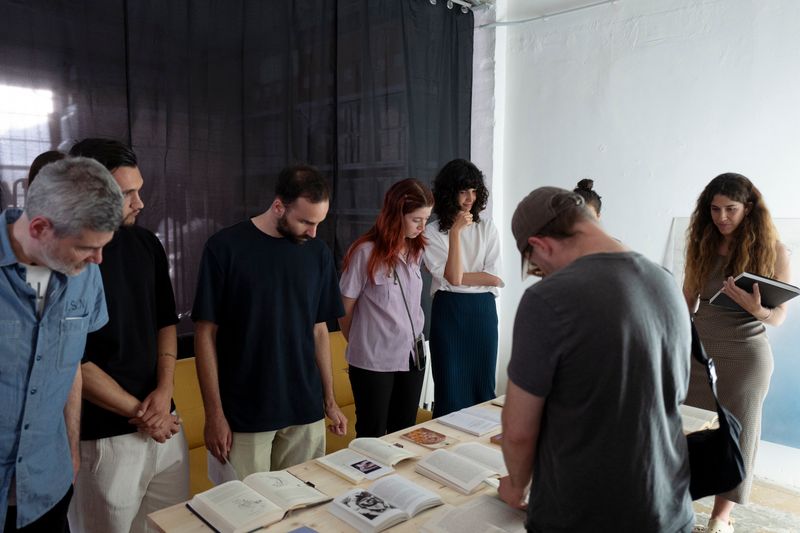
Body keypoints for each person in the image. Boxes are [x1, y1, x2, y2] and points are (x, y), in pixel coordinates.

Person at [499, 186, 694, 532]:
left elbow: (517, 432)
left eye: (538, 267)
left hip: (583, 513)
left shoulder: (548, 299)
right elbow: (671, 395)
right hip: (667, 506)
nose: (542, 275)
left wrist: (516, 485)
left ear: (541, 244)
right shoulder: (665, 282)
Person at [193, 165, 347, 478]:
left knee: (301, 509)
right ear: (279, 206)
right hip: (244, 414)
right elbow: (205, 335)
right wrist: (214, 414)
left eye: (319, 222)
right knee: (243, 517)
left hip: (305, 410)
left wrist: (329, 401)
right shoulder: (225, 248)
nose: (314, 232)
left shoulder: (317, 253)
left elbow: (319, 331)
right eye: (305, 221)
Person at [66, 139, 189, 533]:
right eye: (127, 194)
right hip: (104, 439)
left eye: (139, 189)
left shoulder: (146, 243)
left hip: (164, 425)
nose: (140, 203)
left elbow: (165, 323)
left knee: (171, 527)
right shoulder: (66, 259)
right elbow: (74, 360)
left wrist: (164, 393)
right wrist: (141, 413)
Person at [1, 157, 122, 532]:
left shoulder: (86, 274)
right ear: (40, 228)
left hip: (46, 489)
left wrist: (71, 449)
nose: (98, 260)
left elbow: (68, 368)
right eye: (87, 247)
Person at [683, 173, 790, 533]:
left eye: (731, 209)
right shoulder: (701, 242)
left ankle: (720, 518)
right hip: (698, 349)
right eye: (714, 209)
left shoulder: (774, 250)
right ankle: (676, 496)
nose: (722, 217)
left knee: (738, 434)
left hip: (746, 355)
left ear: (749, 209)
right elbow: (687, 300)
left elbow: (777, 317)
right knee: (683, 425)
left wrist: (755, 307)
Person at [339, 179, 433, 437]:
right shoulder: (364, 252)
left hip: (412, 358)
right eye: (417, 219)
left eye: (426, 219)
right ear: (396, 213)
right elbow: (344, 309)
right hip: (373, 361)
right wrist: (361, 343)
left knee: (404, 433)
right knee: (372, 434)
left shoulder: (416, 250)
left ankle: (396, 480)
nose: (423, 226)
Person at [423, 159, 503, 417]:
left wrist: (459, 275)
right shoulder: (432, 232)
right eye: (463, 191)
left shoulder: (487, 228)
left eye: (474, 190)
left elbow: (495, 278)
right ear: (449, 193)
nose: (470, 198)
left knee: (483, 388)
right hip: (449, 312)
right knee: (449, 389)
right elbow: (453, 279)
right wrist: (456, 233)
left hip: (482, 312)